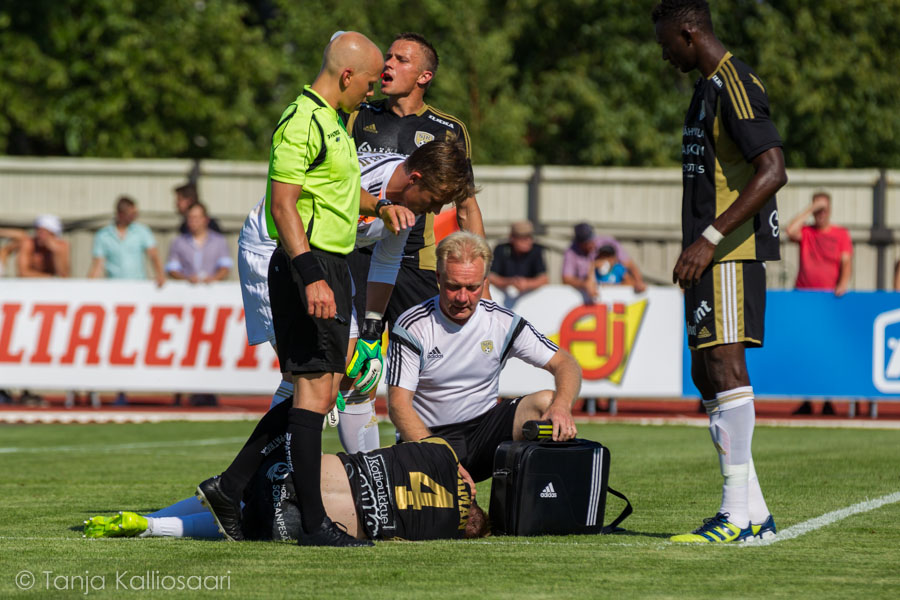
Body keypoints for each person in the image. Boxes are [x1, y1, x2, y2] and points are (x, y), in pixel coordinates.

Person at [196, 31, 388, 548]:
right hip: (310, 265)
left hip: (332, 263)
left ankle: (229, 486)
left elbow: (337, 194)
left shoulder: (335, 123)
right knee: (312, 393)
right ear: (347, 76)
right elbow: (284, 205)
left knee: (319, 391)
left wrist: (379, 206)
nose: (372, 92)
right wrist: (311, 274)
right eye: (369, 82)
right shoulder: (302, 120)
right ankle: (314, 524)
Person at [238, 141, 475, 455]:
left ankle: (367, 477)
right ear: (415, 178)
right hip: (274, 249)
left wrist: (372, 331)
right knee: (308, 379)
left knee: (357, 376)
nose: (434, 211)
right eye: (434, 200)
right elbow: (291, 211)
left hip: (327, 258)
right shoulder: (360, 175)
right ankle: (258, 479)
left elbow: (386, 262)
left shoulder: (407, 209)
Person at [653, 0, 788, 543]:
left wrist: (708, 240)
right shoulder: (704, 91)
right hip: (707, 256)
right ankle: (753, 514)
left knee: (727, 370)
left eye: (666, 43)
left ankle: (735, 516)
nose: (664, 54)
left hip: (729, 253)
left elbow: (773, 170)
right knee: (706, 374)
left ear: (690, 33)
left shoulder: (735, 83)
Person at [387, 231, 582, 483]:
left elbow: (566, 363)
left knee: (548, 403)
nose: (462, 297)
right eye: (454, 286)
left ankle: (538, 510)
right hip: (429, 438)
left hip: (486, 433)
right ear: (438, 278)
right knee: (457, 522)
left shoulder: (501, 321)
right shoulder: (413, 325)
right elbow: (398, 405)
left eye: (472, 287)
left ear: (484, 281)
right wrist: (440, 460)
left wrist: (562, 407)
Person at [344, 32, 489, 338]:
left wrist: (483, 283)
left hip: (413, 257)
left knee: (427, 359)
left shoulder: (449, 130)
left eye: (401, 59)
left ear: (424, 76)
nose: (388, 64)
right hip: (356, 252)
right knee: (356, 364)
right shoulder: (356, 115)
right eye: (388, 56)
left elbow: (466, 207)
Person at [85, 435, 486, 542]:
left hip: (315, 470)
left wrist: (458, 470)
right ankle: (153, 527)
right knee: (241, 525)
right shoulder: (439, 528)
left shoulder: (440, 460)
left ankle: (155, 517)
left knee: (233, 499)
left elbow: (433, 444)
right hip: (314, 518)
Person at [786, 191, 852, 416]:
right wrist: (810, 209)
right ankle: (806, 399)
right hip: (804, 299)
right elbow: (789, 230)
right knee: (805, 350)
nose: (821, 215)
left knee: (826, 351)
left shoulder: (840, 234)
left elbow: (846, 262)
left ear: (830, 210)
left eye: (824, 210)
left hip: (827, 300)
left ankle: (827, 400)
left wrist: (842, 284)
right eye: (818, 210)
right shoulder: (806, 232)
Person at [87, 195, 166, 287]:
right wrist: (89, 286)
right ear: (120, 214)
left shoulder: (142, 231)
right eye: (131, 214)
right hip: (114, 287)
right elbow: (97, 265)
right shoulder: (103, 235)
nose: (134, 217)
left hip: (138, 286)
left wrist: (160, 274)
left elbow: (153, 255)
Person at [562, 222, 647, 300]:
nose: (591, 245)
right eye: (587, 243)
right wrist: (585, 284)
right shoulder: (571, 252)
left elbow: (629, 265)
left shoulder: (608, 244)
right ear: (579, 243)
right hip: (590, 297)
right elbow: (567, 279)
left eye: (591, 240)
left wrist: (638, 281)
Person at [166, 202, 233, 283]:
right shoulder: (178, 242)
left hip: (214, 291)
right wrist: (187, 279)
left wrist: (213, 279)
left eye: (196, 218)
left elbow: (225, 267)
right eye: (190, 218)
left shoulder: (219, 241)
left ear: (205, 219)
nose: (193, 221)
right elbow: (172, 268)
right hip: (187, 291)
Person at [488, 220, 548, 295]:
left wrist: (527, 284)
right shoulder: (501, 249)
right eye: (523, 237)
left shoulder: (536, 250)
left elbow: (544, 278)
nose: (528, 241)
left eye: (530, 236)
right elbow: (491, 277)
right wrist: (510, 282)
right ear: (512, 238)